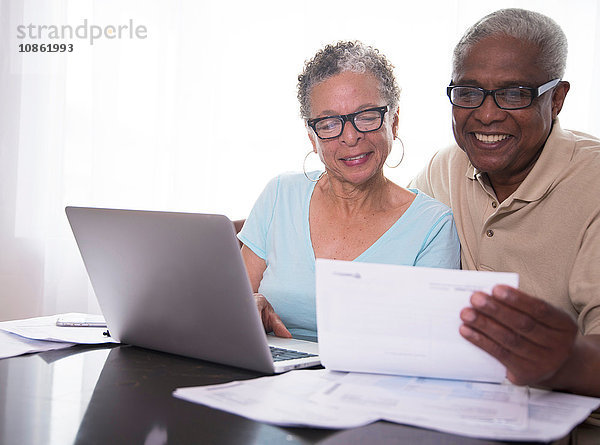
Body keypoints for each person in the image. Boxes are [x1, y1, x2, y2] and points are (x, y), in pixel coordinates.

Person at [411, 8, 600, 400]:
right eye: (468, 92)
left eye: (514, 94)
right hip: (453, 405)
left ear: (557, 98)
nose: (486, 114)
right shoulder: (442, 168)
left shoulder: (593, 182)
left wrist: (566, 360)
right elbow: (369, 228)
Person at [238, 41, 460, 342]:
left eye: (367, 116)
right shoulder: (280, 194)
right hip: (270, 374)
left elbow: (427, 342)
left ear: (393, 122)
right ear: (312, 137)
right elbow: (232, 307)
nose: (351, 136)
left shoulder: (433, 225)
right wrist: (247, 307)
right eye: (329, 123)